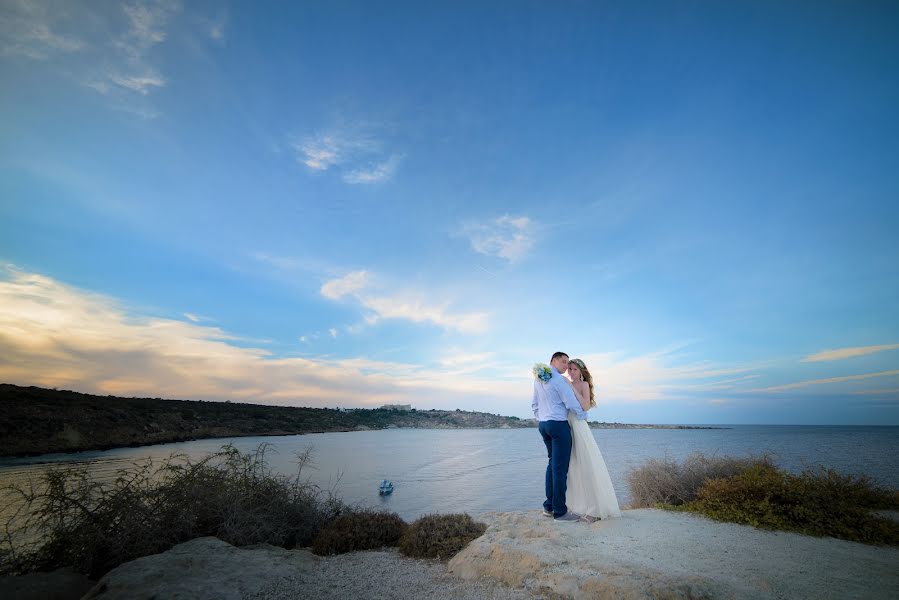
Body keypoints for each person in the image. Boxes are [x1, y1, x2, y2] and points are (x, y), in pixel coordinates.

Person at [532, 351, 589, 521]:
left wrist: (541, 418)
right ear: (553, 361)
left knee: (551, 465)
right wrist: (582, 416)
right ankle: (560, 511)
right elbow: (570, 402)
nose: (566, 366)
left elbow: (534, 404)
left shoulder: (539, 378)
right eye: (563, 362)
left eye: (567, 363)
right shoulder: (557, 379)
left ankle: (548, 507)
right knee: (560, 469)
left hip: (543, 425)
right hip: (558, 425)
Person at [564, 358, 621, 521]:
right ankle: (577, 507)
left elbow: (586, 406)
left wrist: (572, 389)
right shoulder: (566, 383)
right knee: (573, 468)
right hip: (567, 425)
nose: (571, 372)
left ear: (581, 371)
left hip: (579, 426)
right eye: (569, 369)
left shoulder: (583, 385)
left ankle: (595, 511)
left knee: (586, 465)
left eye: (574, 369)